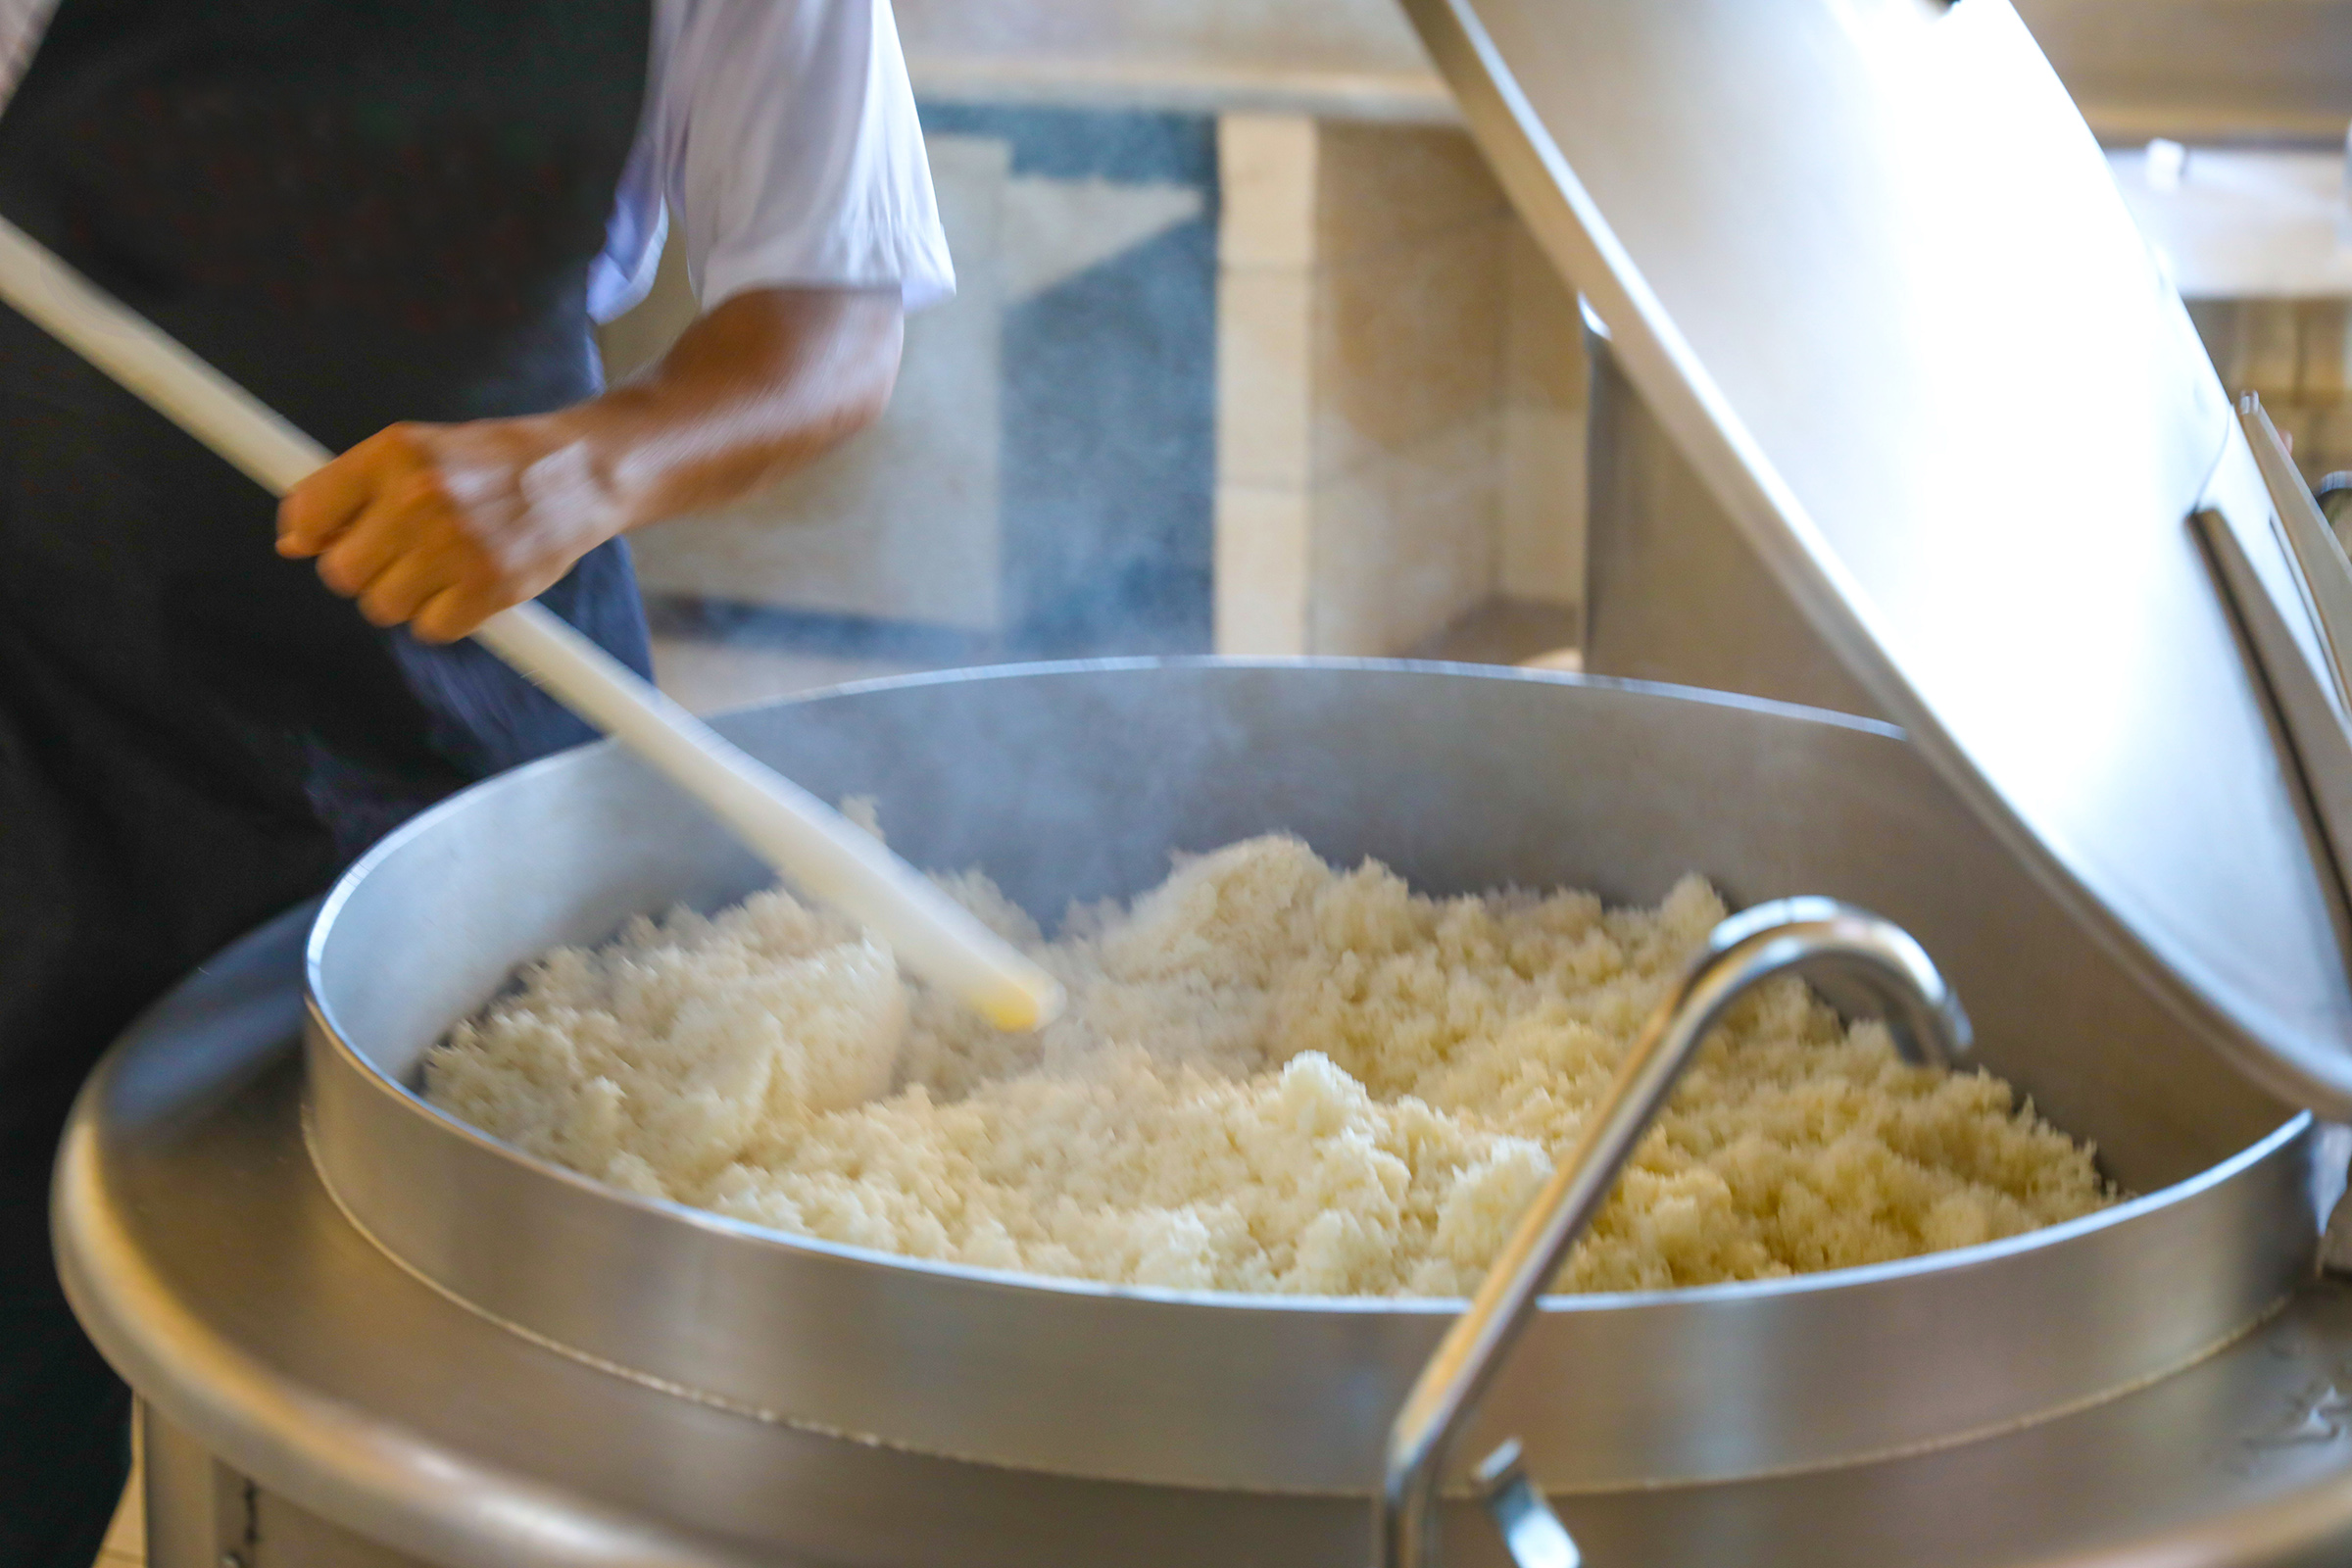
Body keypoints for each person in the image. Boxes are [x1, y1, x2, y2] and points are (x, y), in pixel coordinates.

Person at [0, 1, 953, 1562]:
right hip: (48, 726)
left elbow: (831, 320)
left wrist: (588, 467)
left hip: (473, 769)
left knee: (466, 1446)